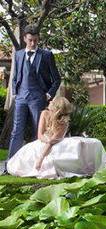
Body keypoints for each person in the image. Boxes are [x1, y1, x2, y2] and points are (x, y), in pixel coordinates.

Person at [7, 97, 106, 179]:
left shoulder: (64, 122)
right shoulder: (44, 113)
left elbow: (53, 141)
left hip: (55, 142)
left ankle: (89, 166)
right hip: (44, 141)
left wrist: (41, 157)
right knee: (29, 152)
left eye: (53, 101)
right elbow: (40, 135)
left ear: (56, 107)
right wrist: (46, 141)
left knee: (90, 143)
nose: (50, 101)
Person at [7, 24, 61, 163]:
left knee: (40, 132)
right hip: (21, 98)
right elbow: (15, 76)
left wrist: (48, 95)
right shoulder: (18, 55)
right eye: (30, 40)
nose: (33, 43)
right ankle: (11, 164)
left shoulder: (47, 55)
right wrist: (14, 93)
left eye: (35, 40)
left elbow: (57, 79)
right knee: (16, 131)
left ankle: (39, 163)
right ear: (25, 38)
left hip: (38, 98)